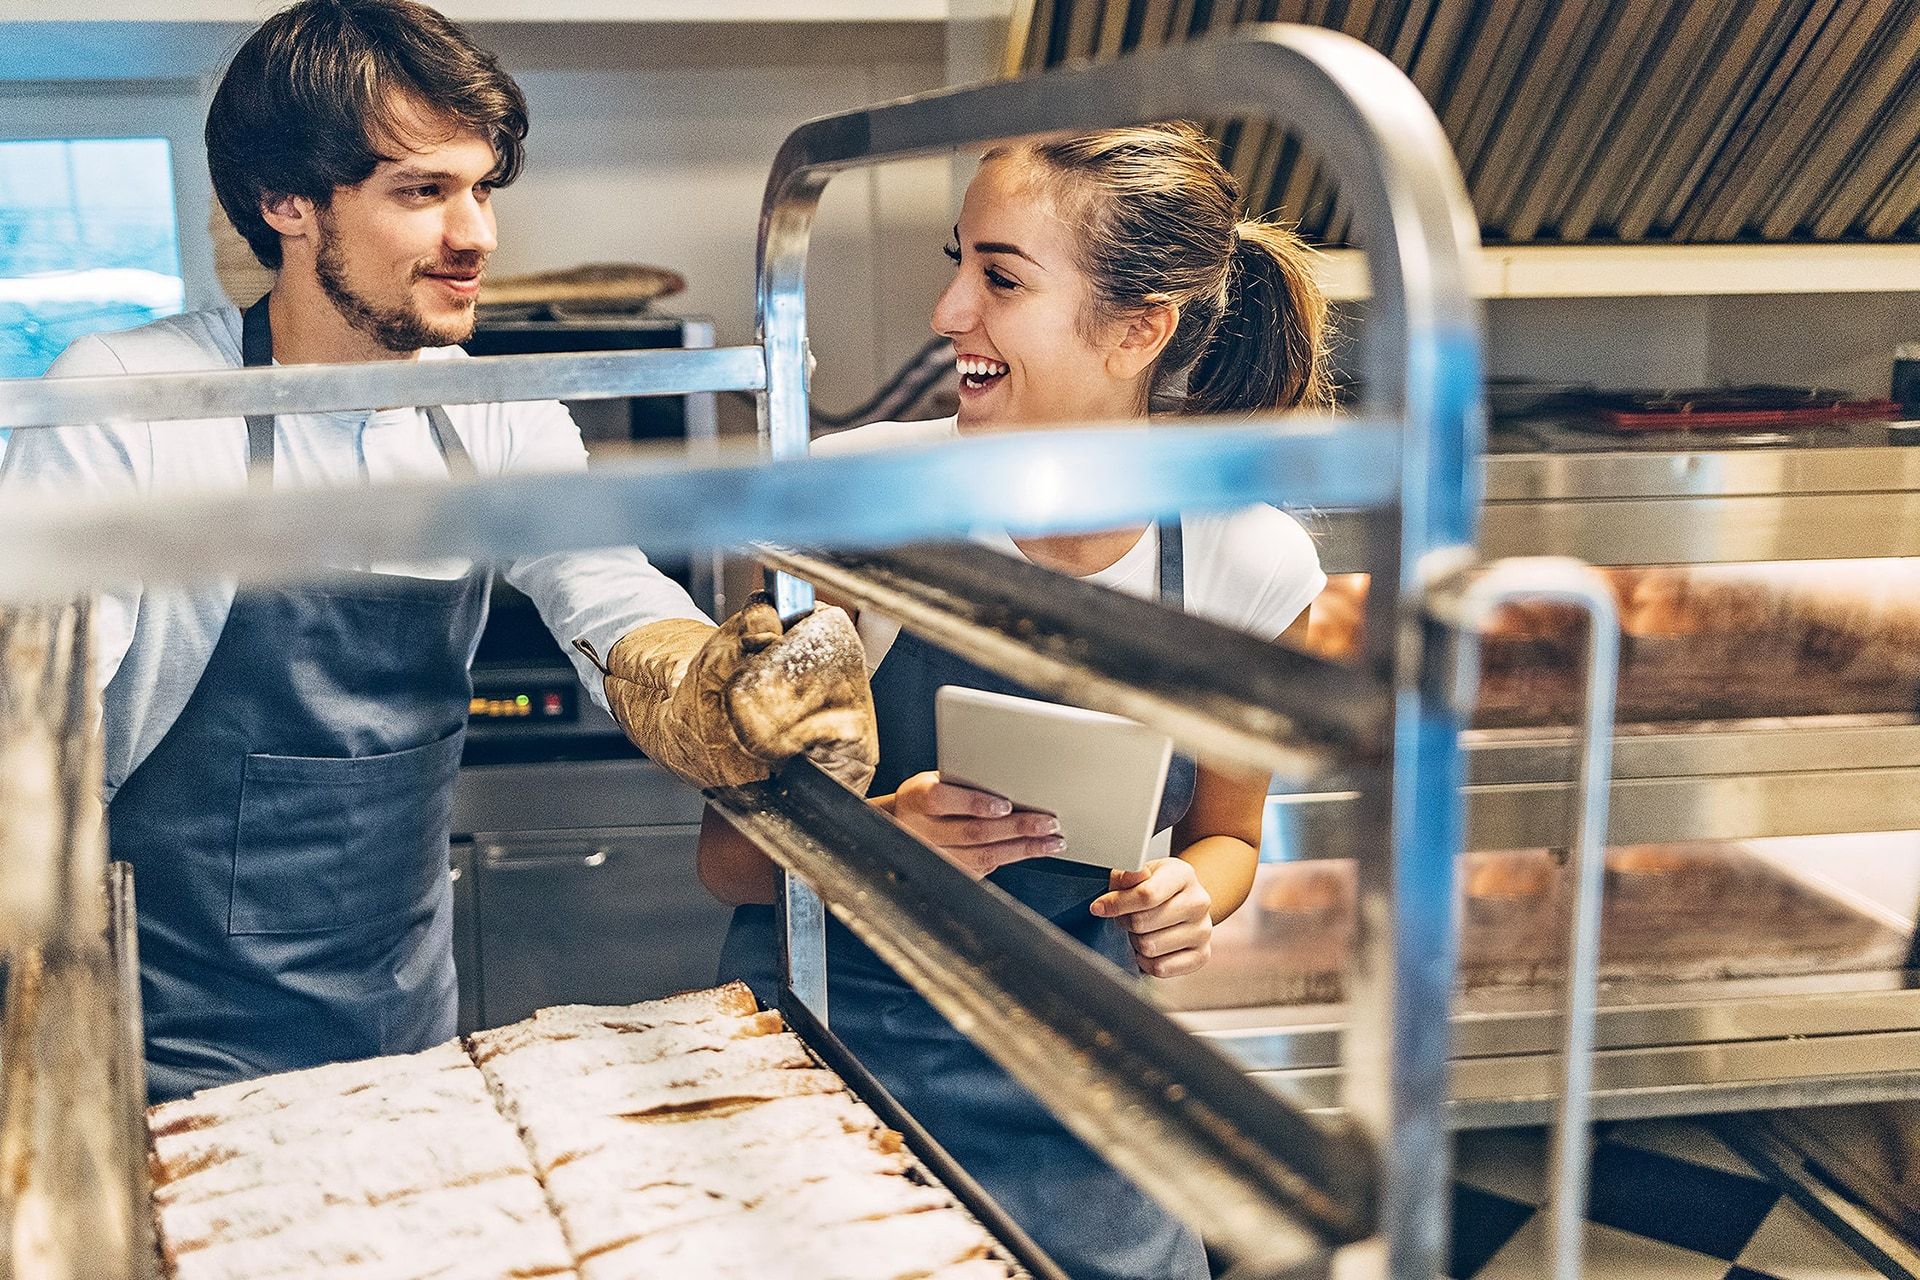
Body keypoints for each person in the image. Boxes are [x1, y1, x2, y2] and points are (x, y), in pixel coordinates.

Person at [0, 0, 875, 1104]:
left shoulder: (488, 408)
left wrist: (716, 689)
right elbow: (31, 740)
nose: (479, 236)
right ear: (286, 202)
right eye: (424, 192)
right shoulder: (129, 399)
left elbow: (603, 590)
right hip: (160, 1052)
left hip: (404, 1037)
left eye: (481, 188)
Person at [698, 123, 1331, 1280]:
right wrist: (870, 845)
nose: (947, 311)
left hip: (1087, 1101)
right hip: (834, 1078)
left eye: (1000, 276)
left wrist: (1195, 896)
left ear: (1140, 330)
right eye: (959, 262)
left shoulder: (1251, 561)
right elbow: (727, 865)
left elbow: (1228, 835)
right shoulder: (851, 513)